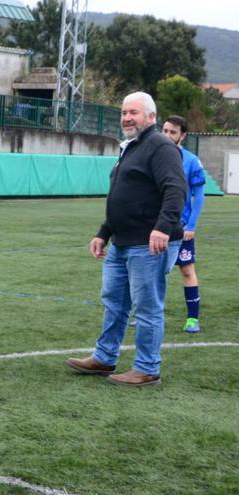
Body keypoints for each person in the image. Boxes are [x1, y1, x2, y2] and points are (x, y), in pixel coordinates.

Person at [66, 92, 186, 387]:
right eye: (123, 112)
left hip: (149, 243)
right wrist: (104, 232)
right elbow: (125, 198)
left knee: (147, 307)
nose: (127, 118)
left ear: (151, 117)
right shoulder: (130, 148)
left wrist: (162, 227)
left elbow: (175, 189)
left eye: (133, 112)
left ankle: (146, 368)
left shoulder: (160, 146)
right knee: (115, 303)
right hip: (122, 241)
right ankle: (104, 357)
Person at [162, 115, 207, 333]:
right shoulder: (153, 156)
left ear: (183, 135)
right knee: (152, 271)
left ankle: (192, 318)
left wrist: (190, 225)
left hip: (180, 228)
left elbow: (198, 196)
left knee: (187, 270)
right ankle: (149, 314)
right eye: (165, 130)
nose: (168, 135)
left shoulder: (191, 161)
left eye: (173, 132)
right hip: (155, 226)